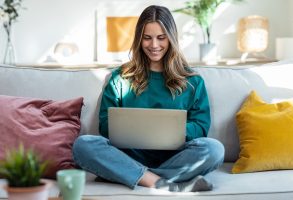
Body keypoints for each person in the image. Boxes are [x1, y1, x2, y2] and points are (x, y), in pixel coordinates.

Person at [72, 5, 224, 192]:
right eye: (147, 38)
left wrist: (169, 130)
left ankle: (135, 176)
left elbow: (201, 126)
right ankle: (166, 183)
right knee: (83, 145)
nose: (154, 45)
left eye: (161, 38)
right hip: (128, 156)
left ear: (171, 38)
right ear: (139, 39)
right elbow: (105, 126)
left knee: (214, 149)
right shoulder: (120, 78)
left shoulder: (192, 81)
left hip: (175, 157)